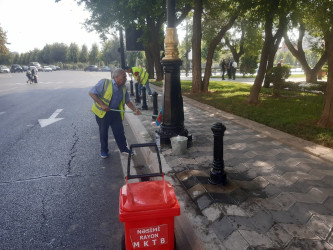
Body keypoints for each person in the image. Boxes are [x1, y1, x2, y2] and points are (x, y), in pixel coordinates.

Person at [89, 68, 142, 159]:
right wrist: (102, 104)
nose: (126, 78)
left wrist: (134, 109)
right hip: (102, 113)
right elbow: (92, 93)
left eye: (125, 77)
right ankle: (104, 151)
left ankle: (124, 149)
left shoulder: (123, 88)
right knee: (103, 132)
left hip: (115, 112)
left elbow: (127, 101)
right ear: (116, 77)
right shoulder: (105, 83)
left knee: (119, 131)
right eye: (124, 76)